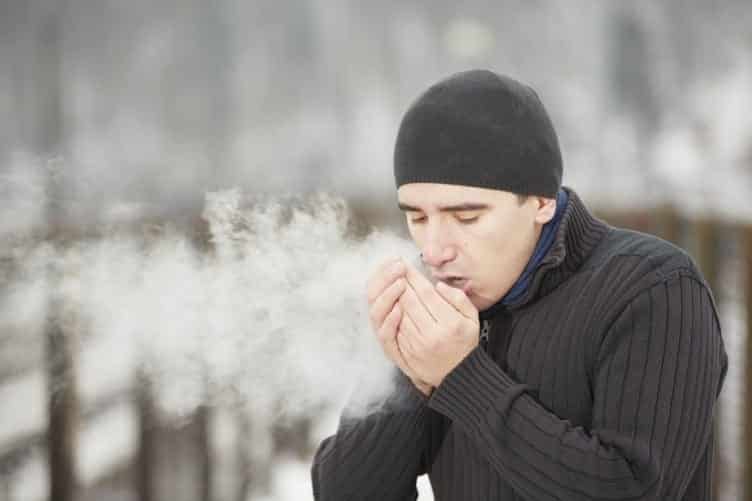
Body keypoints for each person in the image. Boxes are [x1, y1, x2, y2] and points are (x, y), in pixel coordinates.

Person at [311, 69, 728, 500]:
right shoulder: (436, 306)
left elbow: (633, 491)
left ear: (542, 202)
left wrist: (460, 376)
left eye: (466, 217)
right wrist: (411, 374)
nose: (434, 250)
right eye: (417, 217)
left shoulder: (653, 289)